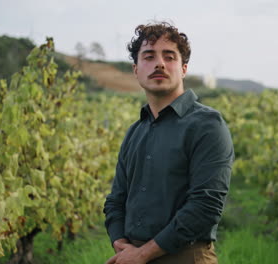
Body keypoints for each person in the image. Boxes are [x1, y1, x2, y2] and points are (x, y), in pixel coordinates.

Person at [103, 21, 234, 264]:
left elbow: (205, 207)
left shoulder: (208, 125)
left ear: (183, 69)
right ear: (136, 69)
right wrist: (121, 244)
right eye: (149, 56)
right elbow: (115, 201)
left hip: (187, 256)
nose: (159, 63)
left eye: (169, 56)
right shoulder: (134, 132)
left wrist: (142, 254)